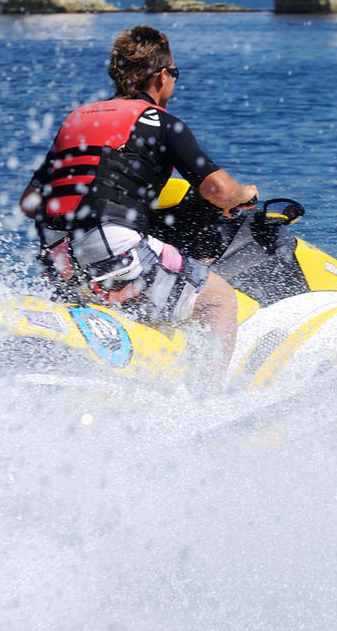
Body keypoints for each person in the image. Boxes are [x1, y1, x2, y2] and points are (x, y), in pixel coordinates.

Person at [19, 25, 258, 372]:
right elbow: (218, 190)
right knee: (218, 301)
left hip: (57, 254)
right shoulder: (160, 122)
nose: (174, 82)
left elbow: (29, 203)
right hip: (109, 244)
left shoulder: (76, 119)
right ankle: (211, 403)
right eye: (175, 74)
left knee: (132, 285)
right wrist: (244, 194)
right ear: (161, 76)